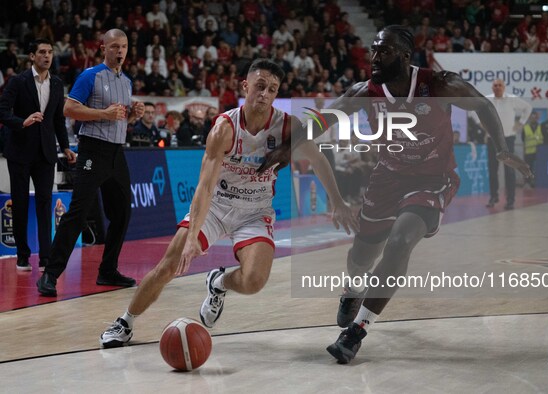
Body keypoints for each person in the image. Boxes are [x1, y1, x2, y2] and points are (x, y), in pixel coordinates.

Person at [260, 25, 532, 364]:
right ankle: (354, 290)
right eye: (373, 49)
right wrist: (287, 148)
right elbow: (321, 119)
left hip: (434, 179)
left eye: (383, 51)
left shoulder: (439, 84)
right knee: (361, 256)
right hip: (388, 177)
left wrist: (502, 149)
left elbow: (482, 106)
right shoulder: (365, 91)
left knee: (401, 241)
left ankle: (356, 332)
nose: (374, 57)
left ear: (405, 56)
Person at [99, 59, 357, 348]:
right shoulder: (225, 127)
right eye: (260, 86)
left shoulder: (286, 126)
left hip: (256, 211)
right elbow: (205, 186)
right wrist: (192, 236)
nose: (265, 94)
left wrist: (337, 202)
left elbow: (318, 160)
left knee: (254, 281)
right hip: (217, 206)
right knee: (169, 265)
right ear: (245, 86)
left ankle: (218, 282)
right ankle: (125, 322)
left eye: (272, 89)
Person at [36, 29, 145, 297]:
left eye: (124, 46)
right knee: (78, 212)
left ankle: (108, 271)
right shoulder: (90, 76)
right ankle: (50, 274)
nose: (120, 51)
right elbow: (68, 109)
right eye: (114, 46)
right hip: (93, 151)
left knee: (122, 213)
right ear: (103, 48)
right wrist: (102, 113)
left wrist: (132, 116)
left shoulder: (127, 82)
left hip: (116, 153)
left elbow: (117, 118)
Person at [0, 39, 76, 271]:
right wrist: (21, 122)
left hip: (45, 153)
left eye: (50, 52)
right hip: (20, 152)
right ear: (32, 56)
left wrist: (64, 146)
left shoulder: (56, 83)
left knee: (45, 204)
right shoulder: (18, 81)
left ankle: (45, 257)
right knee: (20, 205)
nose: (47, 56)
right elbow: (2, 111)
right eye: (42, 52)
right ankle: (23, 256)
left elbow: (58, 119)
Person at [484, 79, 532, 210]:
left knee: (509, 170)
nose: (498, 87)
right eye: (495, 85)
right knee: (492, 170)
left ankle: (510, 200)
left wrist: (520, 123)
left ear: (504, 87)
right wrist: (482, 125)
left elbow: (528, 108)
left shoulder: (512, 99)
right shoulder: (486, 100)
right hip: (492, 139)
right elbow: (473, 112)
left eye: (500, 85)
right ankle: (493, 197)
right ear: (492, 87)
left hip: (508, 139)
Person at [522, 111, 543, 186]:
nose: (533, 119)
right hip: (528, 152)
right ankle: (528, 183)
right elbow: (523, 139)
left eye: (534, 117)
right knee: (528, 168)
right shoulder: (525, 128)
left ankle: (537, 182)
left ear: (537, 118)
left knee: (538, 168)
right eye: (532, 117)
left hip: (539, 152)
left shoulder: (541, 126)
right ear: (530, 118)